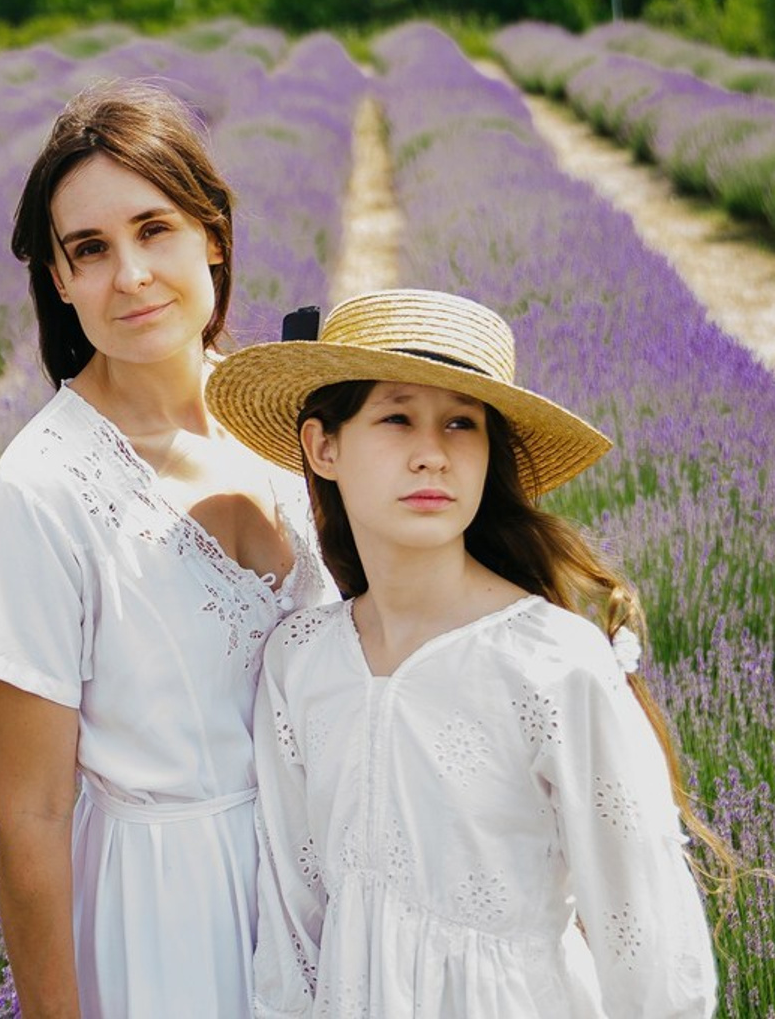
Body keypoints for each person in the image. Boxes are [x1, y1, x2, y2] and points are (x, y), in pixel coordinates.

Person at [204, 287, 725, 1018]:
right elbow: (295, 920)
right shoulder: (301, 660)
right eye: (396, 416)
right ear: (325, 447)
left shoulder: (550, 663)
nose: (432, 455)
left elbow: (650, 940)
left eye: (461, 423)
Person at [0, 81, 338, 1018]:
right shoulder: (40, 492)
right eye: (89, 250)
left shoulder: (296, 423)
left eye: (154, 228)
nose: (128, 273)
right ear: (59, 280)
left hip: (329, 882)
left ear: (213, 232)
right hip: (169, 912)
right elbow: (33, 815)